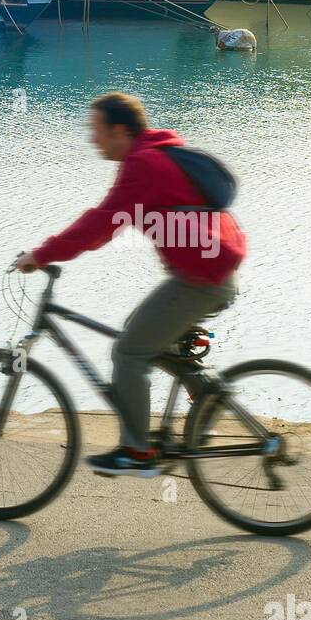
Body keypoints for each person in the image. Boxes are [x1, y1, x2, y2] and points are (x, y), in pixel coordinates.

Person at [15, 91, 244, 478]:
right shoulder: (156, 155)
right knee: (140, 337)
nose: (92, 140)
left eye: (97, 130)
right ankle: (206, 393)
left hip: (200, 280)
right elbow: (105, 225)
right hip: (207, 273)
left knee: (127, 354)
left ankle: (138, 453)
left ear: (120, 130)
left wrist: (41, 255)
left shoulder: (143, 165)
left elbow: (99, 224)